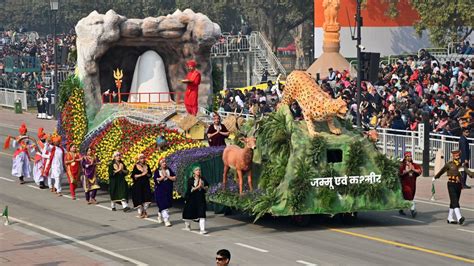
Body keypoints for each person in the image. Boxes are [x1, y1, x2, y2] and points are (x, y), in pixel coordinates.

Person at [434, 150, 473, 225]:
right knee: (455, 201)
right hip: (451, 184)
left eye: (458, 156)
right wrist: (435, 177)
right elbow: (441, 171)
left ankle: (450, 218)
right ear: (453, 156)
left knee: (454, 201)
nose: (457, 157)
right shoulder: (449, 164)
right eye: (456, 156)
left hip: (458, 185)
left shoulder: (461, 165)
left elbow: (469, 173)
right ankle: (459, 218)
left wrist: (472, 174)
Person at [182, 166, 209, 234]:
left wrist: (202, 186)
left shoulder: (203, 179)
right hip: (192, 199)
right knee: (189, 213)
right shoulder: (190, 180)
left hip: (200, 199)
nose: (198, 171)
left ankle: (202, 229)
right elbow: (191, 190)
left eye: (199, 170)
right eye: (197, 170)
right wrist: (198, 186)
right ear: (194, 172)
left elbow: (207, 187)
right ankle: (187, 226)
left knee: (202, 213)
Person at [153, 158, 176, 226]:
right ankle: (166, 220)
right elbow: (156, 179)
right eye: (163, 162)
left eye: (165, 162)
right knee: (163, 204)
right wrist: (163, 177)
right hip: (160, 190)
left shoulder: (169, 170)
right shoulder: (157, 171)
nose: (164, 163)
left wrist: (168, 176)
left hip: (168, 190)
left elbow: (174, 177)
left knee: (166, 204)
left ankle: (159, 214)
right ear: (160, 163)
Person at [398, 152, 422, 217]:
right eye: (407, 156)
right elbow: (400, 173)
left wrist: (413, 169)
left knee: (408, 197)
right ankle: (413, 210)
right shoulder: (402, 165)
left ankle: (401, 209)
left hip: (412, 183)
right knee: (409, 196)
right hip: (405, 184)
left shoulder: (414, 165)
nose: (409, 158)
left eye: (410, 156)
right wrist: (407, 171)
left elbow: (419, 171)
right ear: (405, 157)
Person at [131, 154, 153, 218]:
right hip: (138, 184)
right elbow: (133, 175)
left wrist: (146, 174)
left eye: (143, 158)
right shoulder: (136, 166)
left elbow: (150, 175)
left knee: (147, 198)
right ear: (139, 159)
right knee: (139, 198)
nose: (142, 159)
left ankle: (144, 211)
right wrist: (142, 174)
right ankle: (140, 212)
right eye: (141, 158)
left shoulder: (147, 166)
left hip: (146, 184)